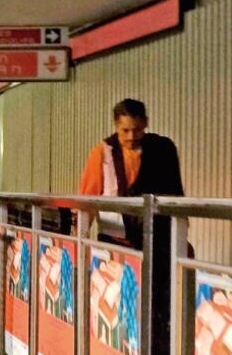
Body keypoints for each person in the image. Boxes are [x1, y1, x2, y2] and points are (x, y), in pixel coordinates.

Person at [79, 98, 184, 247]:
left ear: (146, 123)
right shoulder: (103, 152)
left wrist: (180, 235)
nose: (131, 137)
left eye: (137, 130)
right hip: (115, 238)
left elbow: (175, 194)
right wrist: (80, 239)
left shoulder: (163, 149)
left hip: (156, 238)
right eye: (125, 131)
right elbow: (86, 200)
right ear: (116, 125)